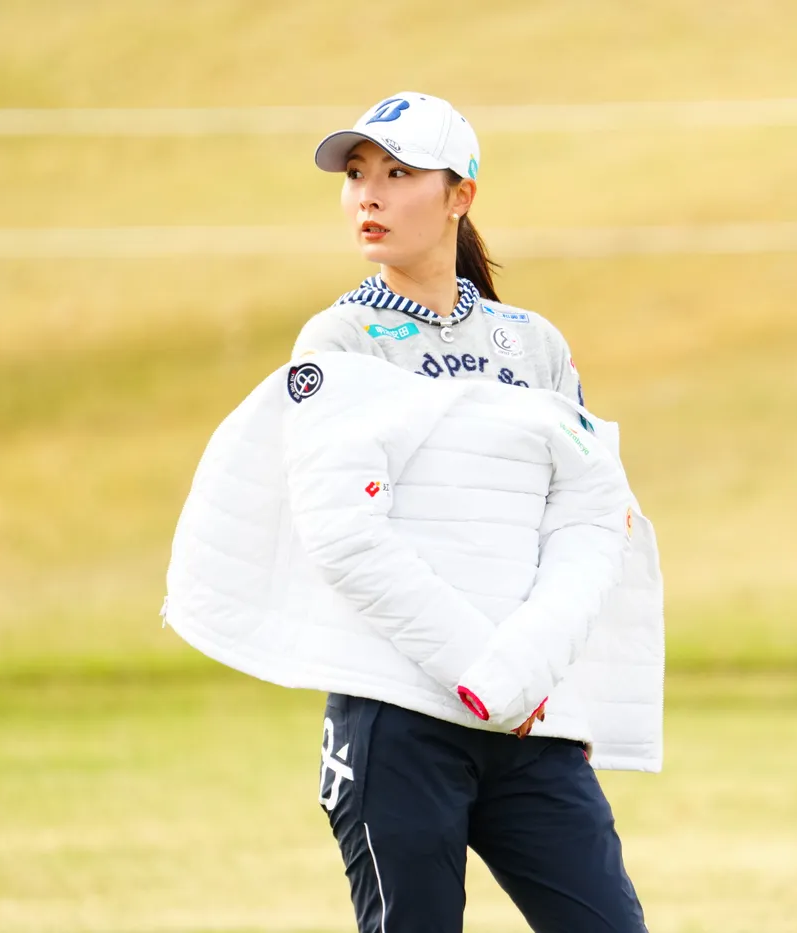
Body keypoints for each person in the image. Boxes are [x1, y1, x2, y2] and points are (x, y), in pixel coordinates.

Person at [288, 92, 652, 933]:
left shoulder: (534, 344)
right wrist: (490, 677)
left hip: (530, 729)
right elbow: (343, 534)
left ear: (461, 195)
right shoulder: (339, 342)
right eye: (357, 174)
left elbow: (591, 516)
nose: (368, 194)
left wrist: (536, 677)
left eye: (398, 174)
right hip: (398, 721)